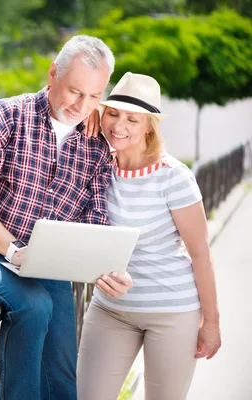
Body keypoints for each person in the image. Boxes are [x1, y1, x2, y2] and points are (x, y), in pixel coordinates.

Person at [0, 35, 132, 400]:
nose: (82, 106)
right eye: (74, 91)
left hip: (51, 264)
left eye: (94, 96)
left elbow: (96, 220)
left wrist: (110, 268)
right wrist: (14, 250)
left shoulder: (96, 146)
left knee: (62, 372)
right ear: (53, 73)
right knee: (34, 307)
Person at [77, 72, 222, 400]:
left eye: (132, 119)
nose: (119, 125)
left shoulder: (174, 178)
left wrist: (211, 322)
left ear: (149, 126)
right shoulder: (97, 164)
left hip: (172, 310)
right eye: (112, 113)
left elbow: (200, 253)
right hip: (110, 309)